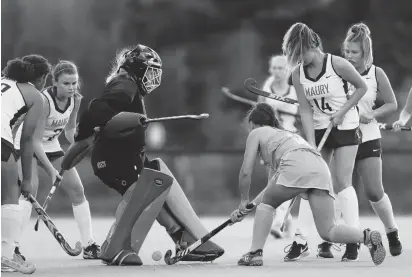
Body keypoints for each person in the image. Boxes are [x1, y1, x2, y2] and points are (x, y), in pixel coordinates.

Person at [69, 44, 224, 266]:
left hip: (126, 158)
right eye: (149, 71)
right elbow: (96, 110)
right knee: (146, 188)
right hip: (116, 160)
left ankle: (185, 237)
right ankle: (117, 248)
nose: (152, 77)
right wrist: (85, 131)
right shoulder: (125, 83)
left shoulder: (126, 85)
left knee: (157, 176)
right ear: (136, 68)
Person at [231, 103, 385, 267]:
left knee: (267, 206)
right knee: (328, 231)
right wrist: (248, 207)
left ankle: (254, 253)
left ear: (254, 124)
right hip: (320, 168)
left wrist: (242, 200)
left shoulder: (257, 133)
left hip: (295, 164)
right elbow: (271, 188)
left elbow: (246, 172)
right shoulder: (286, 136)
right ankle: (366, 236)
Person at [281, 22, 368, 262]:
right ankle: (302, 240)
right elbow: (305, 111)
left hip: (346, 125)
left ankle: (353, 240)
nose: (301, 61)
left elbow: (362, 87)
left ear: (312, 45)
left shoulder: (337, 64)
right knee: (314, 184)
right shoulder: (298, 73)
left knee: (341, 181)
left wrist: (343, 111)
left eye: (302, 55)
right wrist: (310, 144)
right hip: (319, 129)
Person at [14, 60, 100, 260]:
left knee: (77, 189)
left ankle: (89, 245)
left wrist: (83, 141)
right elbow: (35, 141)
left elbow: (70, 131)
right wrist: (52, 171)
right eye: (66, 84)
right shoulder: (43, 101)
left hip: (52, 147)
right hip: (28, 145)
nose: (71, 88)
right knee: (30, 192)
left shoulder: (75, 99)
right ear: (55, 83)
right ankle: (12, 247)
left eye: (74, 83)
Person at [342, 23, 402, 257]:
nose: (348, 56)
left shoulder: (376, 74)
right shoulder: (338, 72)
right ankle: (351, 240)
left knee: (374, 192)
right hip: (342, 139)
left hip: (367, 138)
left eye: (353, 52)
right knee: (343, 190)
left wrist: (373, 114)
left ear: (365, 52)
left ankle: (392, 231)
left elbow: (392, 104)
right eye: (346, 51)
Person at [1, 54, 51, 274]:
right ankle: (5, 257)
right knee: (10, 194)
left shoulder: (4, 83)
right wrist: (28, 180)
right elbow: (27, 139)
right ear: (40, 78)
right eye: (46, 79)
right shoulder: (35, 95)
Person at [257, 55, 298, 239]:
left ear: (287, 70)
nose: (277, 72)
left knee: (285, 180)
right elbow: (259, 120)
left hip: (289, 140)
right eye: (274, 68)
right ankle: (286, 222)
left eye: (281, 68)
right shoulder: (266, 88)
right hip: (271, 141)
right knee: (273, 183)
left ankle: (279, 221)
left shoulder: (295, 90)